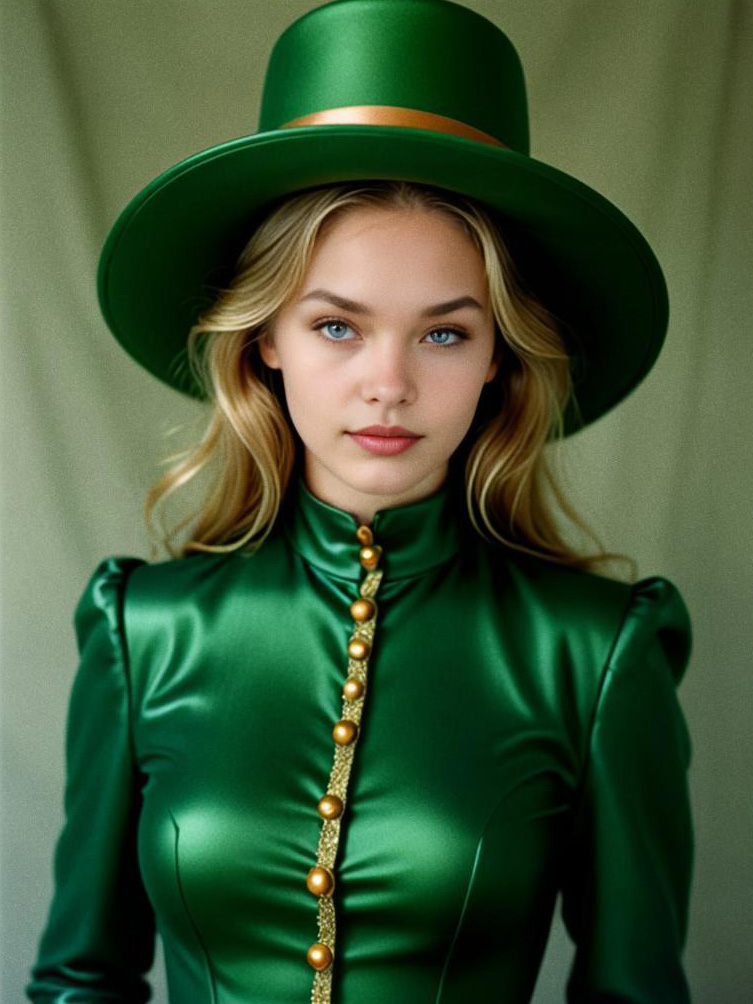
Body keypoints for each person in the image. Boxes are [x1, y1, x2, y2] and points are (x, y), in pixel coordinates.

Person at [26, 2, 694, 1003]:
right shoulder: (142, 629)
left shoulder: (593, 652)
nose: (388, 383)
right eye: (338, 325)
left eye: (443, 334)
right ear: (266, 337)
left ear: (499, 359)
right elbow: (80, 976)